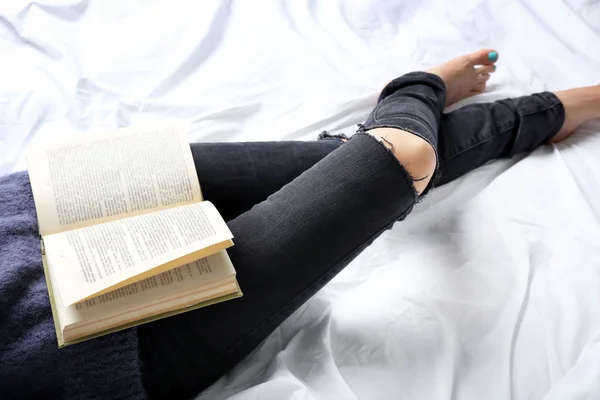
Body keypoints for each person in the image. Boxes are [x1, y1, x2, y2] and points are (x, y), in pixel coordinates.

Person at [1, 49, 599, 400]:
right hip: (88, 345)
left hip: (37, 205)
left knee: (349, 162)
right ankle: (421, 87)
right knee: (394, 160)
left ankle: (532, 113)